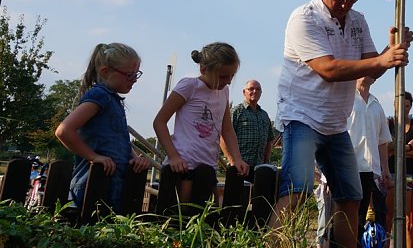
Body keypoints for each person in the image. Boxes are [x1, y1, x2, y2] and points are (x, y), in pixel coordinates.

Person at [271, 0, 411, 248]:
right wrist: (383, 58)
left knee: (351, 195)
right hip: (302, 116)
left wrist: (393, 50)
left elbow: (372, 68)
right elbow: (329, 69)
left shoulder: (357, 21)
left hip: (335, 123)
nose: (346, 5)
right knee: (298, 187)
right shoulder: (304, 19)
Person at [56, 43, 150, 211]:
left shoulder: (113, 100)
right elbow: (64, 131)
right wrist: (93, 157)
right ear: (106, 72)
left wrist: (134, 157)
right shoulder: (99, 95)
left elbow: (118, 138)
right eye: (130, 75)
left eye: (136, 74)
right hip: (91, 184)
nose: (134, 79)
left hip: (111, 183)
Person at [153, 43, 249, 203]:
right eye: (223, 76)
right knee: (178, 216)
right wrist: (173, 156)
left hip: (207, 167)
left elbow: (227, 129)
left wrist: (236, 158)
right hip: (183, 165)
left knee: (199, 217)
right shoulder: (189, 86)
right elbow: (160, 122)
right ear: (204, 69)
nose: (229, 81)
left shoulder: (224, 91)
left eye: (232, 75)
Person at [347, 76, 392, 248]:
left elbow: (382, 141)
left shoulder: (376, 105)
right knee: (347, 217)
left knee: (367, 219)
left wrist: (385, 169)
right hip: (348, 167)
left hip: (370, 171)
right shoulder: (346, 99)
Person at [385, 91, 413, 248]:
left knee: (410, 222)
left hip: (411, 175)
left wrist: (400, 150)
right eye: (401, 105)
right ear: (395, 105)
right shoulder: (388, 124)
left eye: (407, 106)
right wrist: (408, 147)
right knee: (388, 220)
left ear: (411, 107)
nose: (404, 109)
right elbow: (386, 149)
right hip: (392, 174)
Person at [232, 79, 277, 181]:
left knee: (258, 196)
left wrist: (266, 161)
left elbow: (269, 139)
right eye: (251, 89)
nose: (255, 91)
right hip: (241, 166)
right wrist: (233, 160)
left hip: (259, 167)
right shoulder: (237, 112)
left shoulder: (264, 115)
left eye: (258, 89)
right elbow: (224, 136)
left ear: (261, 93)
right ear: (244, 92)